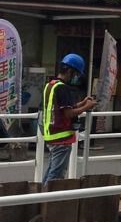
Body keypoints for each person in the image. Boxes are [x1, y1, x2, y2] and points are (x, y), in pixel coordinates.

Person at [41, 54, 97, 183]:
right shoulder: (63, 88)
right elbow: (68, 114)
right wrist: (87, 107)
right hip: (61, 138)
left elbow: (61, 109)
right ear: (71, 71)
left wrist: (82, 103)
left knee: (51, 170)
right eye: (76, 74)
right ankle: (48, 200)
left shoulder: (50, 85)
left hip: (51, 135)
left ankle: (41, 197)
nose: (77, 78)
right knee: (56, 175)